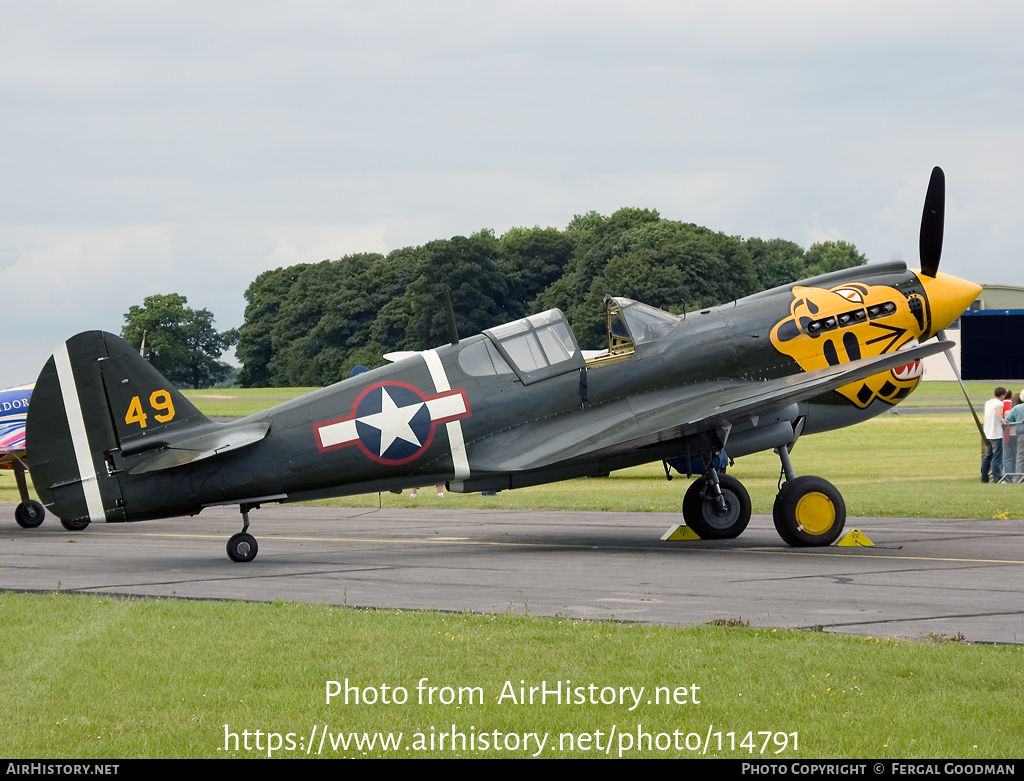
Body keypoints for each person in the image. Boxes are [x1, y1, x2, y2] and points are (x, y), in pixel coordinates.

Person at [982, 387, 1007, 483]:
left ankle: (984, 477)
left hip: (987, 433)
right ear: (1002, 396)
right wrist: (1002, 420)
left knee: (987, 456)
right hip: (996, 434)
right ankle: (997, 477)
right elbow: (997, 408)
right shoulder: (999, 403)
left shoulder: (988, 403)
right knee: (997, 456)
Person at [1003, 392, 1024, 483]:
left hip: (1021, 433)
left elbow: (1007, 420)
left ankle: (1018, 479)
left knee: (1020, 457)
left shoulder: (1016, 408)